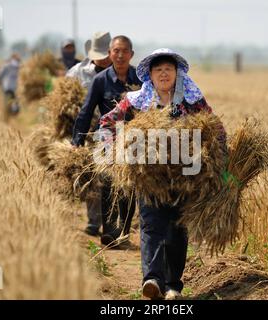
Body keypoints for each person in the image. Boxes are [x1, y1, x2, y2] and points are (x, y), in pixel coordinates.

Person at [99, 48, 227, 299]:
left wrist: (217, 158)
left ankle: (172, 286)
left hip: (185, 177)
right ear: (150, 75)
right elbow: (108, 122)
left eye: (169, 69)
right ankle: (153, 281)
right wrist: (113, 149)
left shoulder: (192, 101)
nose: (164, 73)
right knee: (150, 225)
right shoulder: (137, 101)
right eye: (158, 70)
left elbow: (217, 130)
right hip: (149, 176)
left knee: (177, 229)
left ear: (177, 74)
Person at [71, 35, 142, 248]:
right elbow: (86, 112)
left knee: (129, 186)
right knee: (108, 183)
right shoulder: (100, 80)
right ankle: (110, 232)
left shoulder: (140, 79)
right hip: (107, 138)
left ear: (131, 54)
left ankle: (124, 232)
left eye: (124, 51)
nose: (120, 55)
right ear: (109, 54)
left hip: (134, 139)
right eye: (116, 51)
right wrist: (77, 141)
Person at [65, 31, 113, 236]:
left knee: (111, 177)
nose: (102, 58)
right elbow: (64, 100)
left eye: (105, 54)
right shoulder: (77, 72)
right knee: (92, 175)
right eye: (98, 54)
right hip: (87, 130)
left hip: (114, 132)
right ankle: (94, 221)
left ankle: (113, 224)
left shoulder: (120, 73)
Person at [0, 53, 21, 120]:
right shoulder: (19, 67)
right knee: (14, 100)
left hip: (8, 87)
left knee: (10, 100)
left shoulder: (7, 66)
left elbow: (0, 75)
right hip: (14, 88)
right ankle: (12, 111)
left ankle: (8, 113)